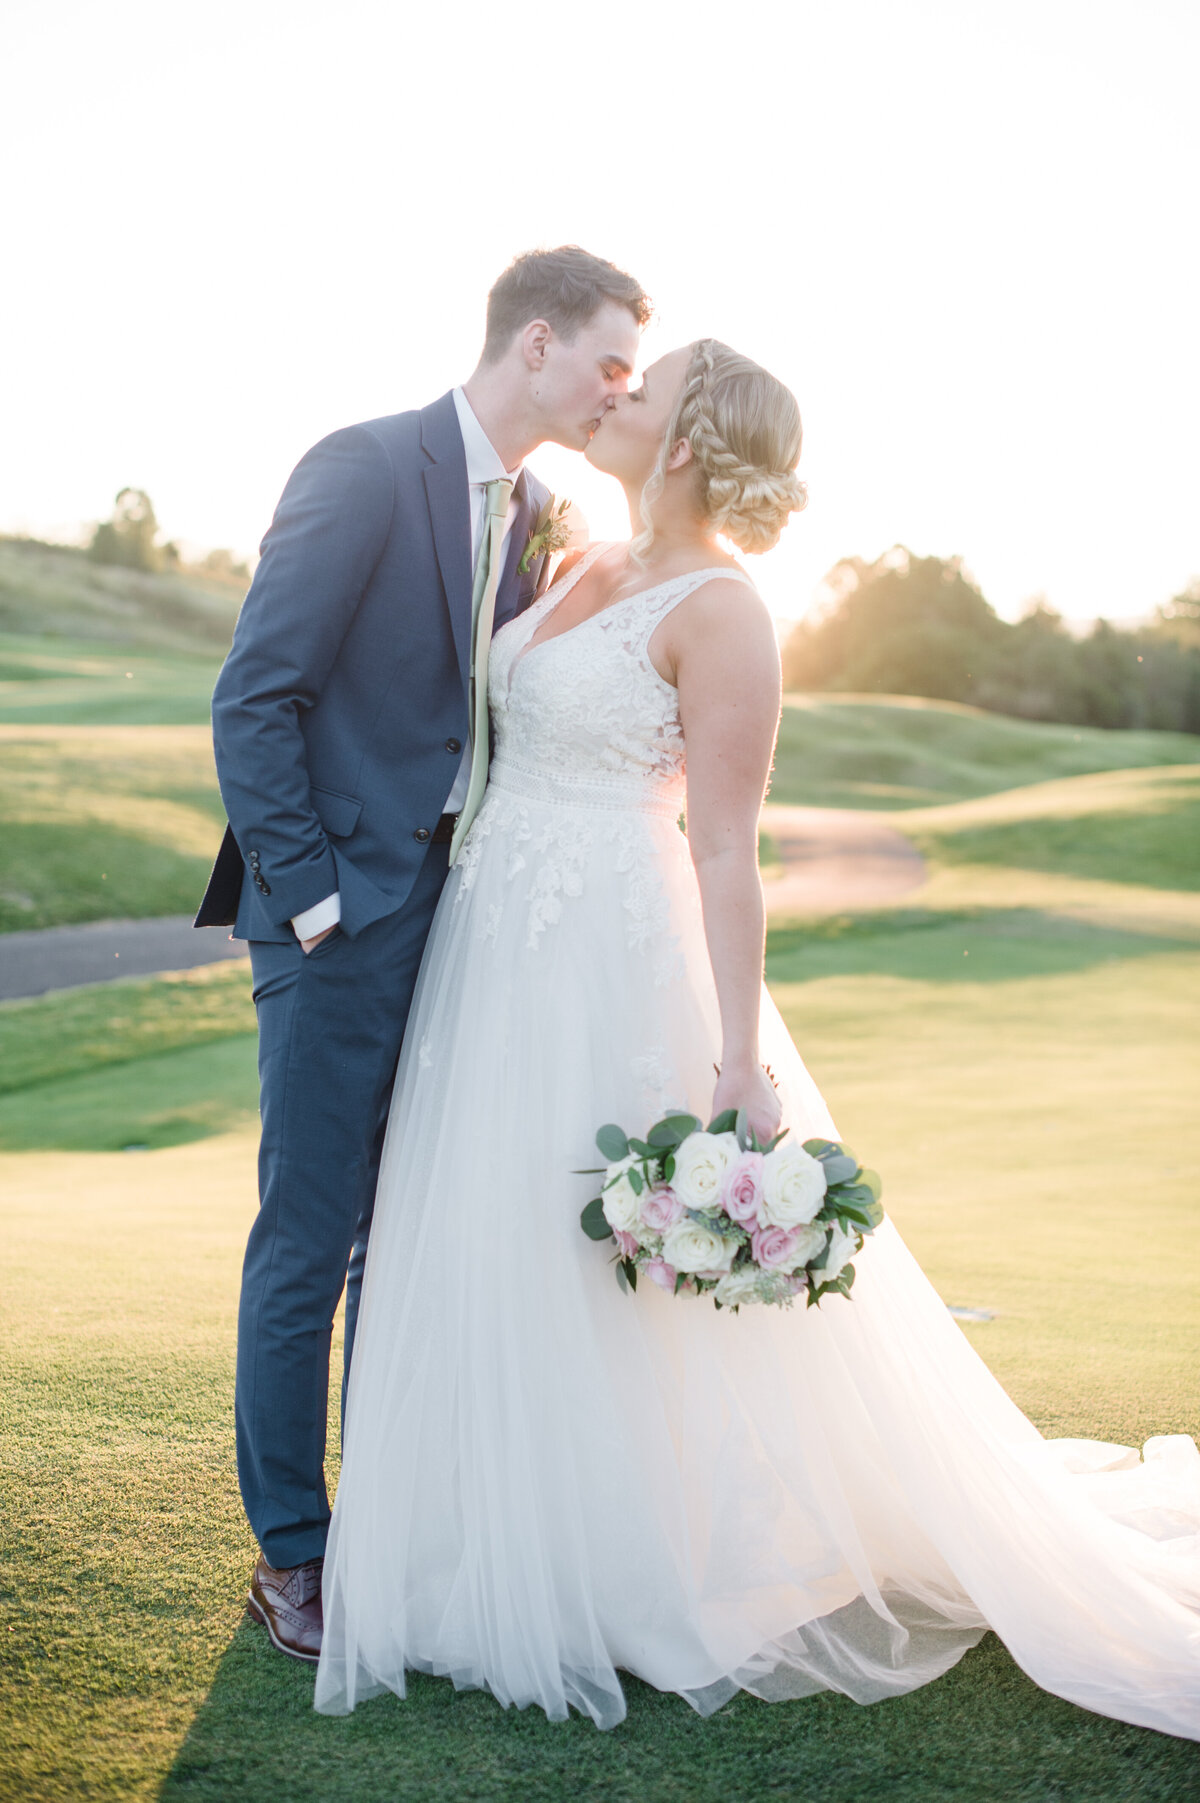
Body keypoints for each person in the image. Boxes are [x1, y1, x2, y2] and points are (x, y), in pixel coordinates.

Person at [315, 340, 1200, 1740]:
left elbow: (729, 850)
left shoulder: (728, 611)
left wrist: (738, 1059)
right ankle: (468, 1548)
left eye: (644, 388)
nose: (616, 396)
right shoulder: (573, 561)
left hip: (617, 949)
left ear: (688, 436)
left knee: (596, 1251)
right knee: (488, 1225)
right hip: (492, 945)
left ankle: (620, 1570)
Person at [193, 247, 650, 1660]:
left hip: (467, 930)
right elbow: (254, 696)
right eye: (610, 364)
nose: (616, 392)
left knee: (411, 1241)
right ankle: (296, 1558)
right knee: (310, 1238)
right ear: (535, 343)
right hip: (337, 928)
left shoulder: (547, 510)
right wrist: (316, 899)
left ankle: (391, 1523)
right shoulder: (363, 465)